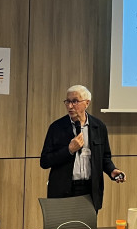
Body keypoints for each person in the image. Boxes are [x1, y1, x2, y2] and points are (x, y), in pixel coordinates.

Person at [40, 85, 125, 213]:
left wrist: (112, 171)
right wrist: (69, 150)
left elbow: (104, 157)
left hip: (90, 190)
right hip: (63, 191)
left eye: (75, 101)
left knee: (87, 226)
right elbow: (45, 161)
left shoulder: (98, 126)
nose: (70, 106)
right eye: (67, 101)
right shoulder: (57, 127)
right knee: (63, 226)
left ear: (87, 103)